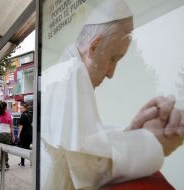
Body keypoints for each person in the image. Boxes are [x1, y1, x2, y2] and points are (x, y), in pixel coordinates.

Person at [40, 0, 184, 189]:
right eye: (113, 59)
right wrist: (156, 143)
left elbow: (86, 141)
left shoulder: (67, 67)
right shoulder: (71, 72)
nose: (111, 73)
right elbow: (88, 167)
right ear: (94, 47)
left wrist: (131, 131)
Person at [0, 102, 15, 169]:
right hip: (8, 135)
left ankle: (1, 165)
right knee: (5, 150)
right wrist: (13, 136)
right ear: (5, 108)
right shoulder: (10, 116)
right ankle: (6, 163)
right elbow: (12, 127)